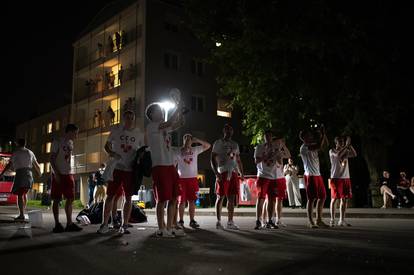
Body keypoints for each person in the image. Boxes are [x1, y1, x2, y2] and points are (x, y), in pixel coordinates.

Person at [97, 110, 144, 235]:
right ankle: (105, 224)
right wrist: (112, 153)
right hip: (116, 168)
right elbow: (106, 146)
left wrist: (140, 159)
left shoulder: (139, 133)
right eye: (127, 117)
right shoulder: (116, 130)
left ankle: (125, 225)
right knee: (110, 196)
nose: (129, 120)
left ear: (134, 119)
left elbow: (142, 150)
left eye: (131, 117)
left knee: (128, 198)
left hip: (130, 170)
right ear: (123, 118)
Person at [145, 102, 184, 238]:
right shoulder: (151, 127)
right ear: (151, 115)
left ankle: (170, 228)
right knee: (161, 199)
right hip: (159, 166)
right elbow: (170, 121)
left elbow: (178, 123)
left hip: (170, 166)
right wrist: (178, 107)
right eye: (159, 110)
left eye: (162, 110)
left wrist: (182, 112)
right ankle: (161, 229)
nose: (161, 111)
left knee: (174, 198)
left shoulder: (165, 128)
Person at [211, 124, 244, 230]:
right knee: (220, 197)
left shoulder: (235, 144)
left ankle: (230, 221)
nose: (229, 131)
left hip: (233, 172)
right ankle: (218, 221)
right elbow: (212, 159)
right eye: (227, 129)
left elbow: (238, 159)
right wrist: (216, 172)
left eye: (231, 129)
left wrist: (241, 172)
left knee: (232, 197)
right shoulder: (218, 143)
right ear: (223, 131)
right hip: (223, 172)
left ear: (232, 132)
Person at [50, 124, 82, 233]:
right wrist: (56, 174)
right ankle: (57, 224)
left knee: (70, 198)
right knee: (56, 199)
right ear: (70, 132)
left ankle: (69, 223)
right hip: (59, 174)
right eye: (76, 133)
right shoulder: (57, 141)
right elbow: (52, 159)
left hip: (68, 174)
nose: (76, 135)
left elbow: (67, 158)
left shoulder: (70, 143)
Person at [174, 134, 211, 229]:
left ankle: (192, 220)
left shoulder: (195, 150)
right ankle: (181, 220)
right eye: (185, 138)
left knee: (192, 201)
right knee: (181, 201)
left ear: (191, 141)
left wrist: (197, 139)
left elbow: (208, 146)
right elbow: (174, 163)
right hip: (181, 179)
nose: (187, 140)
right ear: (183, 140)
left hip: (193, 179)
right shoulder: (178, 151)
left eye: (189, 139)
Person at [0, 139, 41, 221]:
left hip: (20, 174)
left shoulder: (16, 152)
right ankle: (23, 212)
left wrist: (2, 173)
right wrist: (39, 173)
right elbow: (37, 165)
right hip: (29, 174)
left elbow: (9, 165)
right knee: (24, 193)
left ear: (18, 144)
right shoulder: (30, 152)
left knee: (19, 194)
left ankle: (21, 215)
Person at [299, 125, 329, 228]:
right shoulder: (304, 147)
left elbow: (324, 145)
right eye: (308, 136)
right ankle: (310, 221)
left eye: (311, 135)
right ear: (303, 138)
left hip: (317, 174)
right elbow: (319, 146)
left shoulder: (313, 144)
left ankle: (319, 220)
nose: (311, 137)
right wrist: (322, 134)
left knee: (323, 197)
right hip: (310, 175)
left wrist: (322, 135)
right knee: (311, 199)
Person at [329, 136, 357, 227]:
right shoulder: (332, 151)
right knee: (334, 199)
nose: (341, 143)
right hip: (336, 178)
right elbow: (338, 155)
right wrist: (346, 146)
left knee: (344, 199)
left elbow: (354, 154)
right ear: (336, 143)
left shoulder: (345, 151)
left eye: (342, 142)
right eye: (339, 142)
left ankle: (341, 220)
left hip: (346, 177)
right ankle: (332, 219)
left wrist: (349, 145)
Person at [253, 130, 278, 230]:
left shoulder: (275, 148)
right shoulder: (260, 147)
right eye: (266, 136)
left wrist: (279, 150)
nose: (268, 138)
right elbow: (256, 161)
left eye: (270, 136)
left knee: (272, 199)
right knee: (261, 198)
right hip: (263, 175)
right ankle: (258, 221)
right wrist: (265, 156)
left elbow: (283, 157)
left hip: (273, 176)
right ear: (264, 137)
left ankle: (270, 220)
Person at [273, 138, 291, 227]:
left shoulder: (280, 151)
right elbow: (279, 162)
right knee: (270, 200)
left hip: (281, 178)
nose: (279, 144)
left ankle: (278, 220)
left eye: (280, 142)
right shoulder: (272, 151)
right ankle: (268, 219)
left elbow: (288, 155)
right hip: (273, 178)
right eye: (278, 142)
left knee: (279, 199)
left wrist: (284, 146)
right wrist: (278, 152)